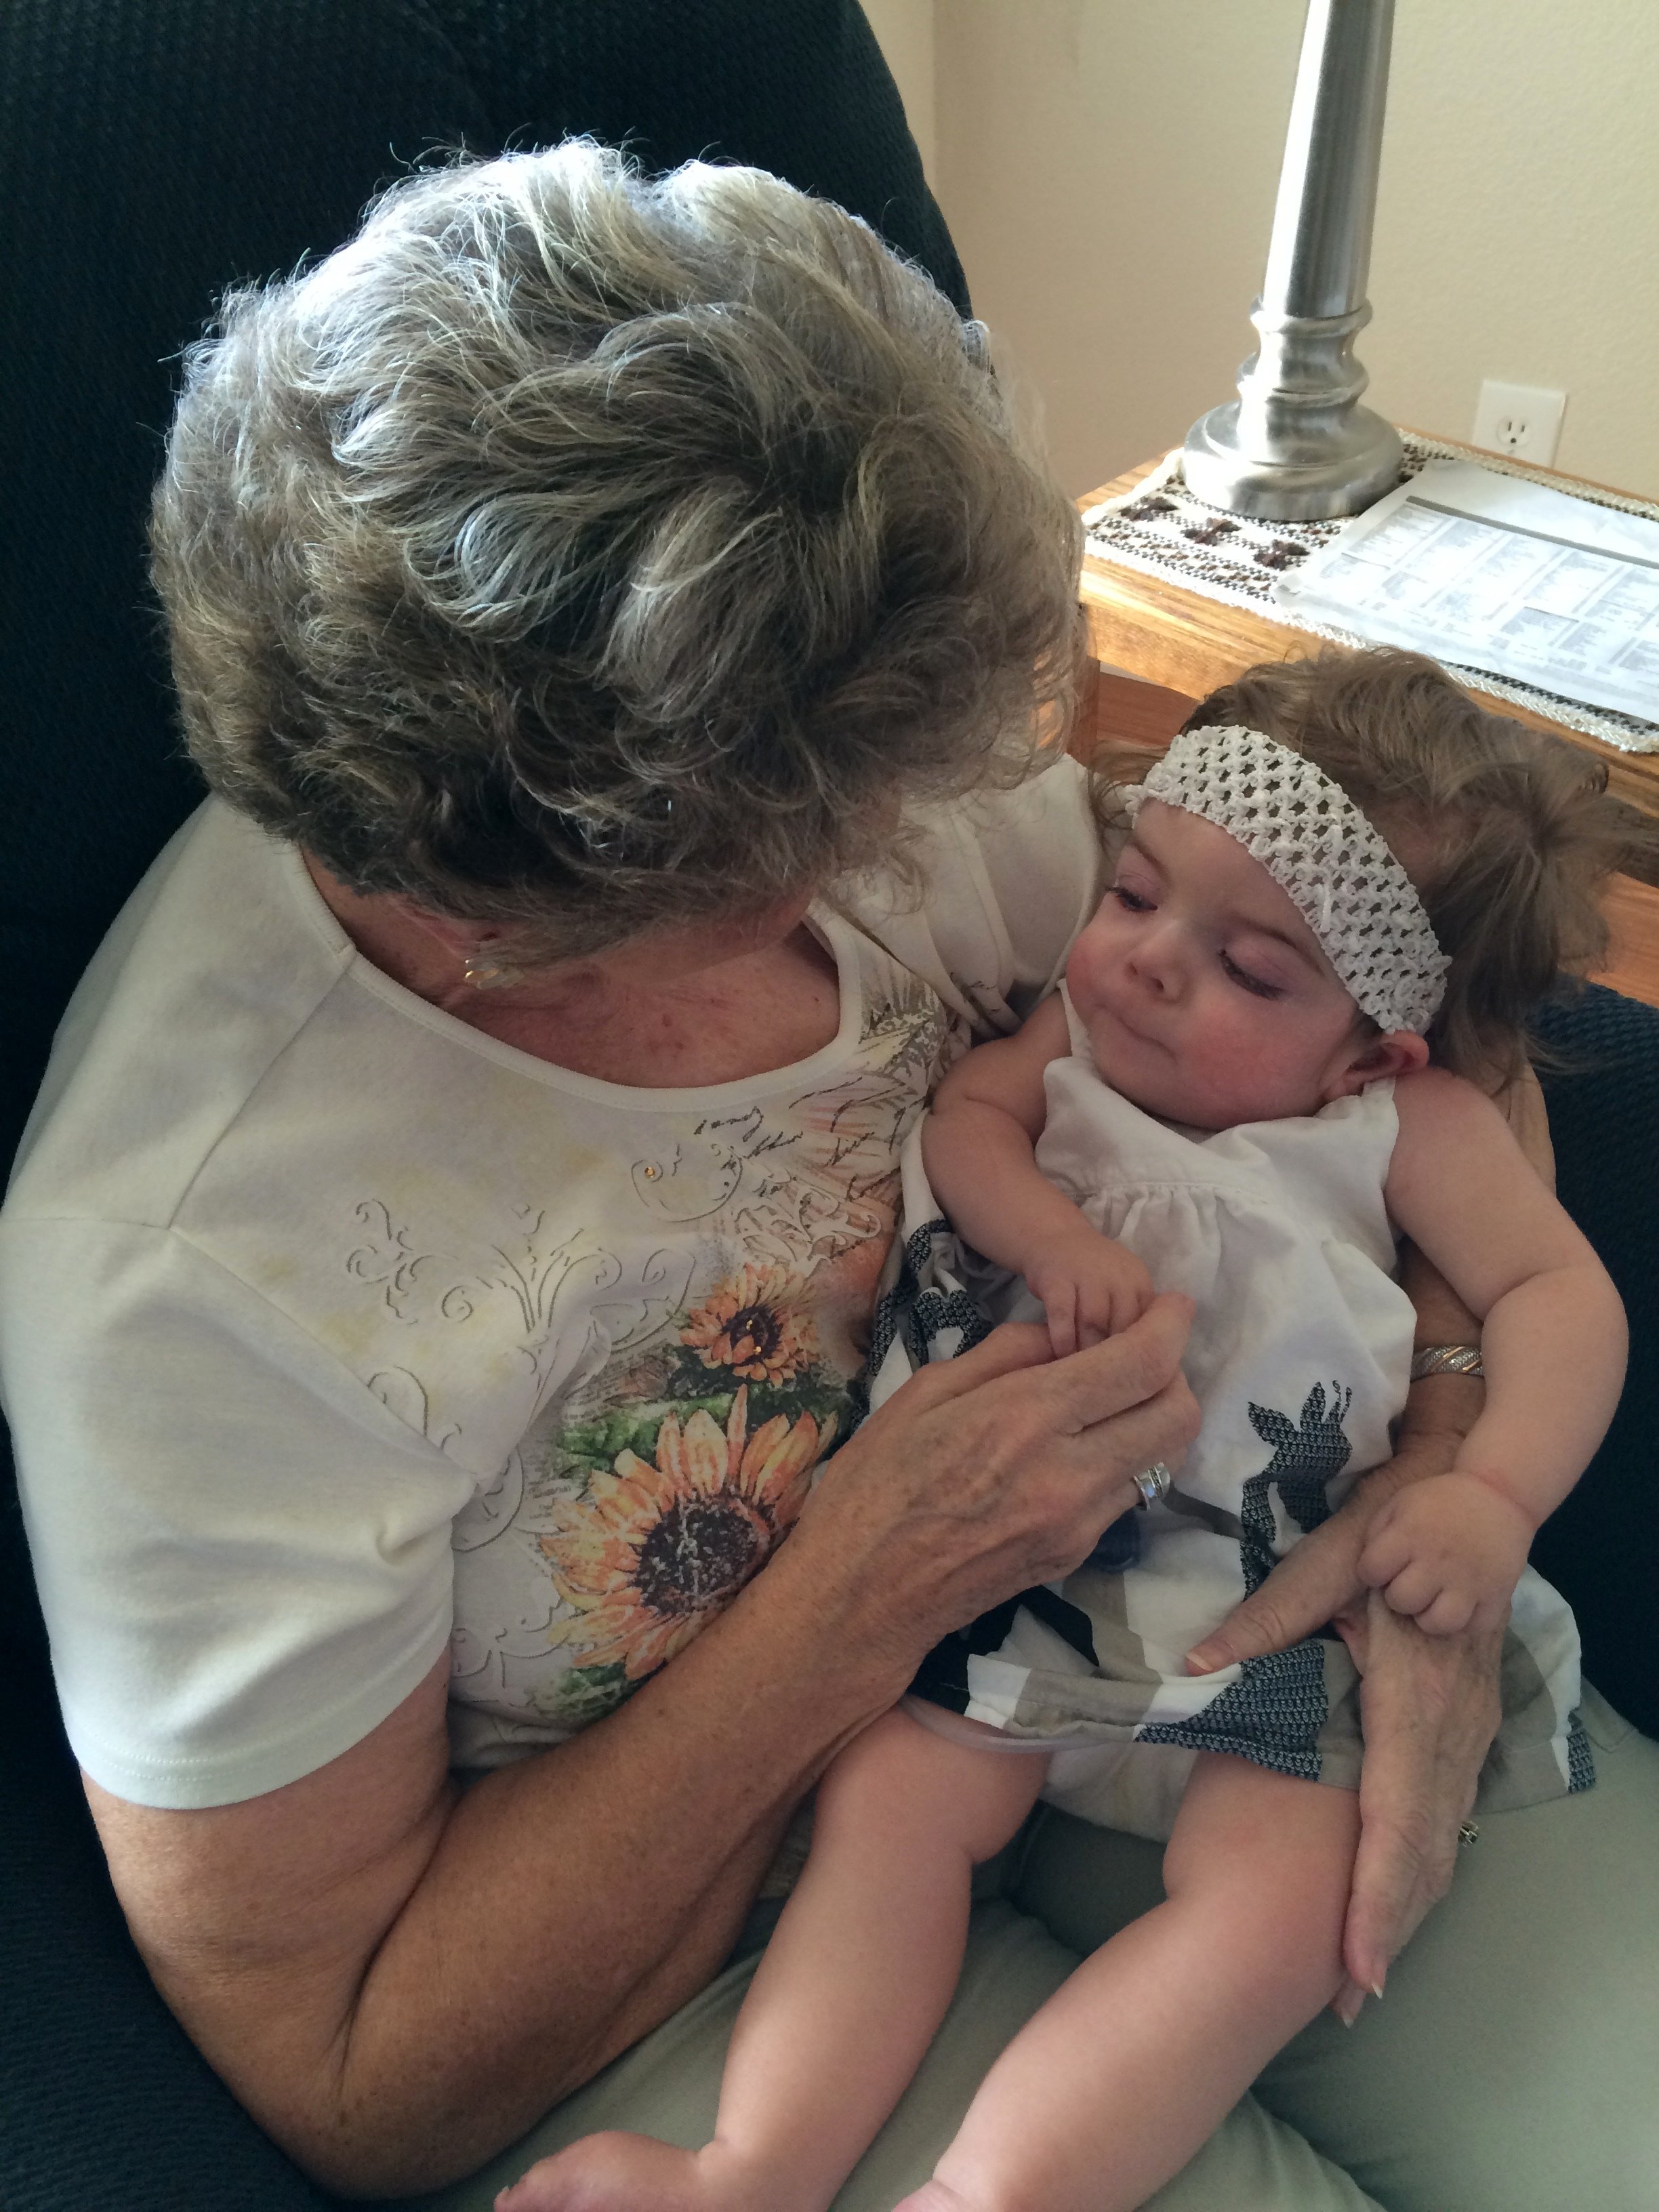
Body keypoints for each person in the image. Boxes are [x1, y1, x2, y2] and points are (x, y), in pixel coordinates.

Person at [0, 145, 1654, 2212]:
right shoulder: (192, 1273)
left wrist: (1445, 1456)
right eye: (817, 846)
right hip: (692, 1939)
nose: (922, 844)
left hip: (1237, 1644)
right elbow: (353, 2072)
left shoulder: (861, 723)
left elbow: (1427, 1048)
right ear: (525, 917)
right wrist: (864, 1593)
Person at [503, 649, 1627, 2212]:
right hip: (1022, 1573)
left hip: (1269, 1610)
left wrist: (1491, 1493)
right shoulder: (1075, 1040)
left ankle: (992, 2193)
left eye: (1252, 972)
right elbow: (968, 1121)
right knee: (889, 1813)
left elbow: (1562, 1300)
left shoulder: (1403, 1131)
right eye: (1137, 893)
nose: (1147, 964)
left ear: (1374, 1049)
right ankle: (748, 2170)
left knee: (1291, 1911)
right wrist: (1050, 1233)